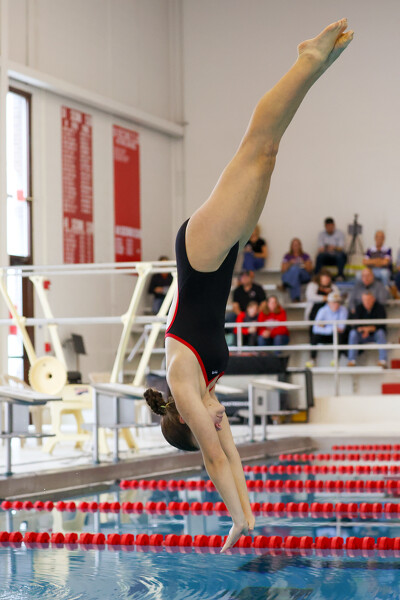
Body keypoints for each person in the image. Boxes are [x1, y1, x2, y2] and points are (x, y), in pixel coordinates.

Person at [144, 19, 354, 553]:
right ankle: (312, 69)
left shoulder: (184, 381)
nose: (221, 424)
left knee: (256, 147)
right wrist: (249, 519)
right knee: (269, 153)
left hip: (200, 253)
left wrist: (232, 516)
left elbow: (215, 458)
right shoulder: (208, 390)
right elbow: (231, 455)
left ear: (187, 418)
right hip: (224, 256)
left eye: (210, 423)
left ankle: (307, 60)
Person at [347, 291, 387, 367]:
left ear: (373, 299)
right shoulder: (359, 308)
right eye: (365, 300)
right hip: (362, 335)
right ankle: (351, 361)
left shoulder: (380, 308)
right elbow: (355, 325)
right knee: (353, 333)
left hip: (374, 336)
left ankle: (383, 361)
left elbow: (381, 325)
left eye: (369, 300)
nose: (367, 302)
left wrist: (367, 329)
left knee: (381, 333)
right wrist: (365, 330)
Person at [309, 291, 348, 365]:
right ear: (328, 303)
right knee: (314, 337)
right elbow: (315, 329)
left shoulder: (343, 310)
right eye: (334, 302)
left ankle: (336, 359)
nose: (336, 304)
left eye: (338, 302)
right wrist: (331, 329)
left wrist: (325, 325)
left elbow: (341, 329)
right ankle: (312, 359)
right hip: (325, 335)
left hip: (336, 336)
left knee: (340, 336)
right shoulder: (322, 310)